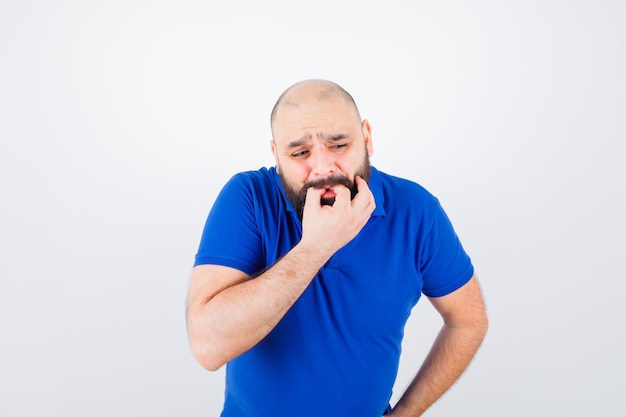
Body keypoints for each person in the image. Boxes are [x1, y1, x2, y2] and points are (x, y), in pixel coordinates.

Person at [186, 79, 488, 417]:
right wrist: (316, 247)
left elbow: (468, 321)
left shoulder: (416, 211)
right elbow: (207, 347)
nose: (323, 167)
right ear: (276, 156)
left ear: (367, 138)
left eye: (339, 144)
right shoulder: (249, 197)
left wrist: (405, 414)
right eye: (300, 153)